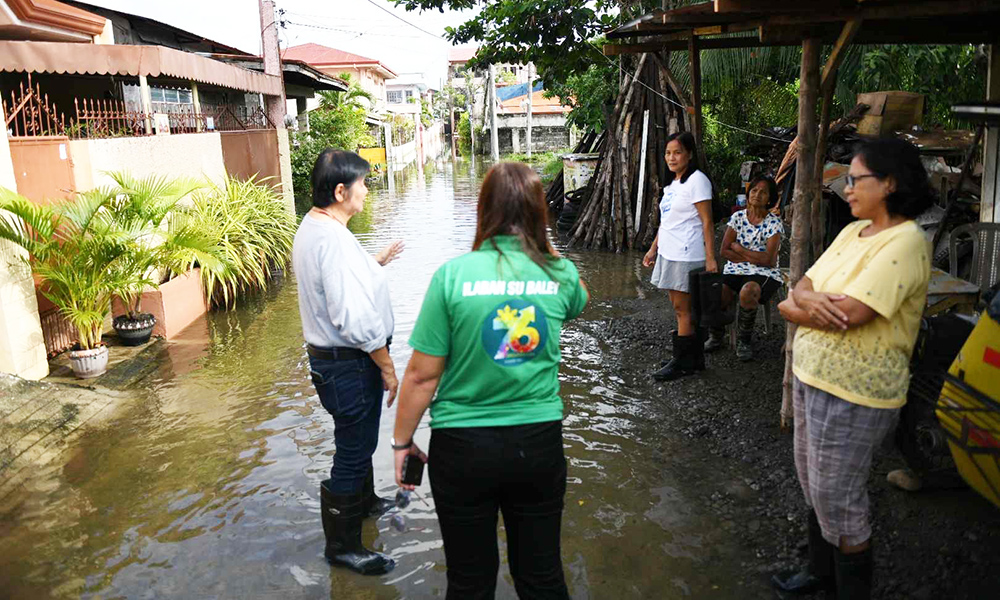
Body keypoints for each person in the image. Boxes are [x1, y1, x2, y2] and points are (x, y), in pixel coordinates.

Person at [391, 162, 588, 599]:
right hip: (537, 445)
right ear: (540, 213)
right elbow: (577, 303)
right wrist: (542, 249)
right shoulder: (561, 274)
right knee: (541, 577)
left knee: (469, 581)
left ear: (483, 210)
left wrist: (402, 443)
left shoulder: (452, 276)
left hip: (463, 450)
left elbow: (422, 377)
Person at [775, 137, 933, 600]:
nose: (846, 187)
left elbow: (851, 314)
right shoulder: (851, 232)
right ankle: (821, 575)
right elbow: (802, 281)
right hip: (811, 375)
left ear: (889, 184)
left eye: (856, 178)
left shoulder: (906, 241)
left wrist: (794, 307)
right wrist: (805, 298)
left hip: (856, 391)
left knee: (838, 495)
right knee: (812, 481)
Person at [292, 149, 405, 576]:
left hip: (336, 362)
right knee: (352, 454)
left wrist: (374, 262)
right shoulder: (332, 239)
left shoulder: (317, 226)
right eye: (362, 184)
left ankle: (366, 503)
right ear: (341, 191)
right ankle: (341, 547)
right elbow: (352, 319)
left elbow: (334, 282)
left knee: (358, 444)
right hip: (349, 363)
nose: (366, 191)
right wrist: (387, 365)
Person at [642, 131, 717, 381]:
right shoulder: (673, 184)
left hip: (687, 253)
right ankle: (691, 358)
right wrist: (653, 249)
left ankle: (682, 362)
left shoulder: (698, 181)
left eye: (677, 152)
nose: (671, 158)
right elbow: (667, 223)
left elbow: (707, 222)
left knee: (683, 309)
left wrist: (711, 258)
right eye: (668, 153)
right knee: (679, 308)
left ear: (689, 154)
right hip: (669, 252)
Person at [706, 175, 783, 361]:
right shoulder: (738, 217)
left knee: (749, 290)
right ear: (748, 194)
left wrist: (740, 249)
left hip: (764, 273)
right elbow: (724, 250)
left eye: (763, 192)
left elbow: (769, 260)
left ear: (770, 198)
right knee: (717, 291)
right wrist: (752, 256)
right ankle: (716, 336)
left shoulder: (774, 223)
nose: (757, 194)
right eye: (754, 190)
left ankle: (744, 340)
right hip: (736, 269)